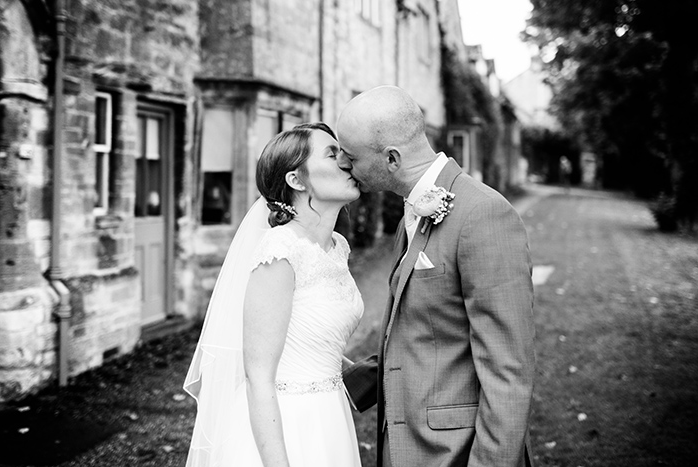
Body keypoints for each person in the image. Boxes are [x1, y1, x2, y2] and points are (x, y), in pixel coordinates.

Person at [337, 86, 536, 467]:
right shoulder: (411, 214)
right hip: (407, 446)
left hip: (454, 454)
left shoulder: (484, 214)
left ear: (391, 158)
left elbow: (508, 370)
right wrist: (322, 381)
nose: (346, 166)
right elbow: (424, 333)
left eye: (351, 157)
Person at [184, 123, 364, 467]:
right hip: (285, 422)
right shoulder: (280, 252)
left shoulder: (336, 246)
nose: (346, 161)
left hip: (330, 413)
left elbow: (305, 335)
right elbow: (258, 376)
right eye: (332, 153)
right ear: (297, 180)